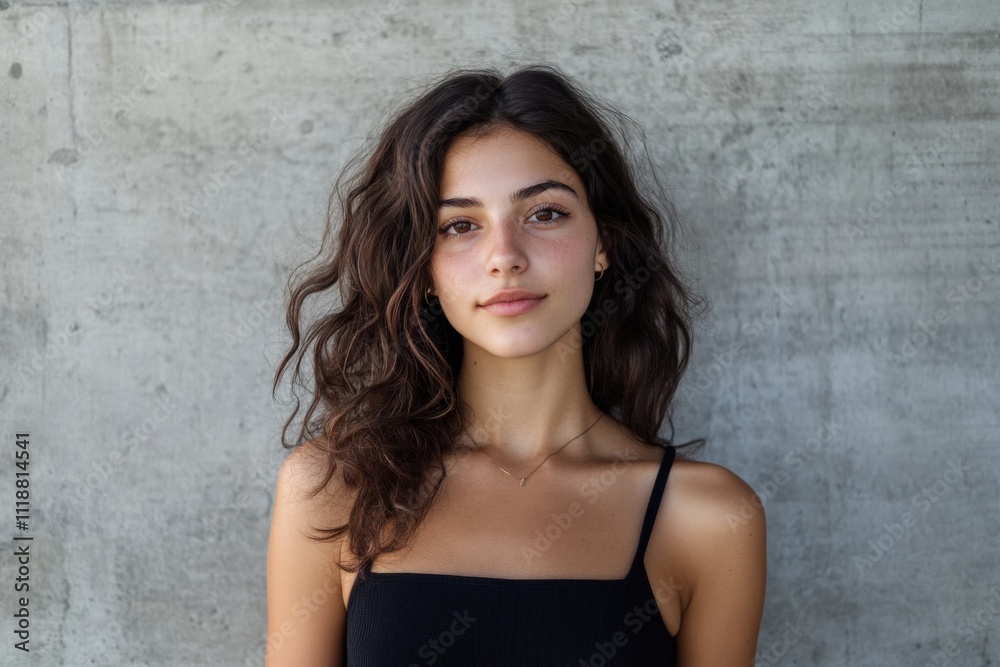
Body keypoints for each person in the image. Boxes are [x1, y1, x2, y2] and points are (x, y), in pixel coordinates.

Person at [265, 62, 766, 666]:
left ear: (604, 244)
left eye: (545, 213)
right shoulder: (336, 488)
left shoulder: (708, 517)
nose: (505, 256)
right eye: (459, 225)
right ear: (423, 268)